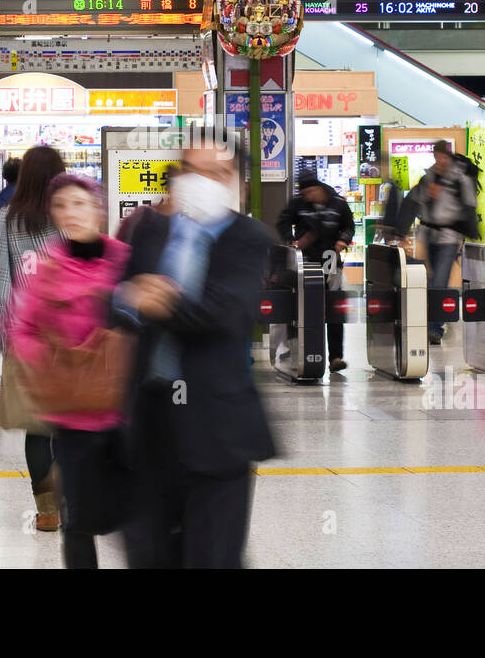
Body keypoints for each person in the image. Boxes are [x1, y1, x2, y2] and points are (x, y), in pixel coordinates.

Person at [114, 131, 276, 568]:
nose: (203, 182)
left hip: (216, 427)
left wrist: (154, 299)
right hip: (150, 423)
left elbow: (219, 313)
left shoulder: (248, 239)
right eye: (194, 171)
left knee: (212, 556)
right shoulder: (149, 230)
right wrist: (133, 299)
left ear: (236, 182)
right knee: (149, 553)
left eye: (218, 173)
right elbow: (116, 298)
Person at [9, 173, 132, 569]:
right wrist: (52, 361)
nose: (70, 214)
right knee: (77, 519)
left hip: (125, 411)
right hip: (73, 411)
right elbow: (22, 330)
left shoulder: (124, 260)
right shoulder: (46, 266)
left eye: (79, 204)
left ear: (97, 207)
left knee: (135, 514)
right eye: (61, 206)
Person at [0, 145, 68, 532]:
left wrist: (10, 343)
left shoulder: (1, 224)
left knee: (39, 429)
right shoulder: (70, 220)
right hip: (73, 341)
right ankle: (72, 502)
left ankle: (48, 511)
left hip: (29, 342)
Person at [393, 140, 477, 346]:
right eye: (436, 157)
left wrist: (466, 232)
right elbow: (412, 202)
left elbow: (468, 206)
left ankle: (435, 329)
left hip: (449, 237)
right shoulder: (428, 177)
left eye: (442, 157)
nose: (439, 161)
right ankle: (433, 321)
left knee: (439, 281)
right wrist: (401, 230)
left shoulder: (460, 179)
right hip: (429, 235)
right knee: (431, 282)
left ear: (448, 157)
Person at [275, 172, 355, 371]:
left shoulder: (338, 203)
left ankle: (335, 357)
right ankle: (297, 352)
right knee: (299, 305)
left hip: (329, 257)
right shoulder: (298, 203)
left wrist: (342, 240)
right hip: (305, 259)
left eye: (310, 192)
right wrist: (292, 241)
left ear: (319, 188)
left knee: (332, 305)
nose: (307, 196)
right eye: (304, 193)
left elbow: (349, 226)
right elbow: (283, 222)